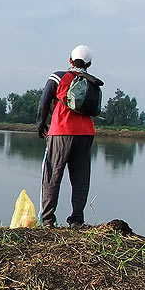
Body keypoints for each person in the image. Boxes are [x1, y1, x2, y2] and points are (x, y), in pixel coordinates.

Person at [36, 44, 99, 228]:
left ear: (70, 60)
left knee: (52, 176)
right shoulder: (91, 82)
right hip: (86, 134)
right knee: (80, 179)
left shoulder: (58, 77)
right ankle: (77, 221)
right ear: (89, 64)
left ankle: (48, 220)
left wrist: (41, 124)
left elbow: (44, 102)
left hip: (61, 132)